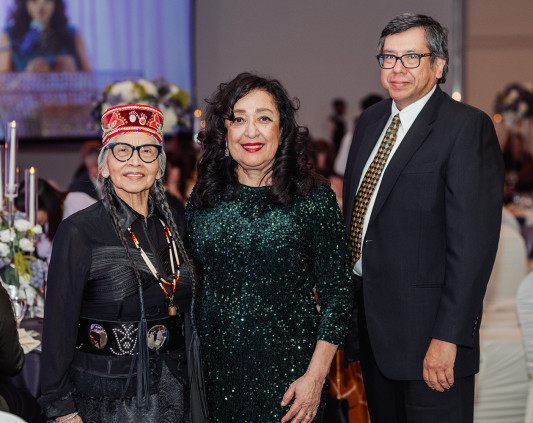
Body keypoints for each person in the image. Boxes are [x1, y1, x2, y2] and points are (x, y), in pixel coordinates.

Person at [342, 13, 504, 423]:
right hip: (375, 332)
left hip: (431, 339)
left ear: (439, 65)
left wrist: (448, 337)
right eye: (388, 57)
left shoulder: (466, 128)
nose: (397, 68)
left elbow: (472, 249)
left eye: (411, 57)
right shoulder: (369, 122)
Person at [186, 72, 354, 422]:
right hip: (214, 381)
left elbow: (338, 297)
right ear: (224, 131)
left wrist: (315, 378)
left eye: (263, 118)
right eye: (238, 119)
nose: (251, 131)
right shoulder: (204, 199)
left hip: (293, 382)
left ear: (283, 129)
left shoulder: (313, 199)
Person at [39, 104, 197, 423]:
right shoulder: (79, 231)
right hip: (108, 401)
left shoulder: (176, 226)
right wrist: (63, 410)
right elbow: (57, 328)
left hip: (178, 390)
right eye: (122, 150)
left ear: (159, 167)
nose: (135, 161)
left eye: (146, 151)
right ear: (105, 165)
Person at [0, 0, 91, 72]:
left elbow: (91, 82)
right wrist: (26, 77)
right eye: (34, 1)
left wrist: (74, 73)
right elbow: (2, 84)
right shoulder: (11, 36)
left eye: (47, 1)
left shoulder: (72, 34)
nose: (41, 7)